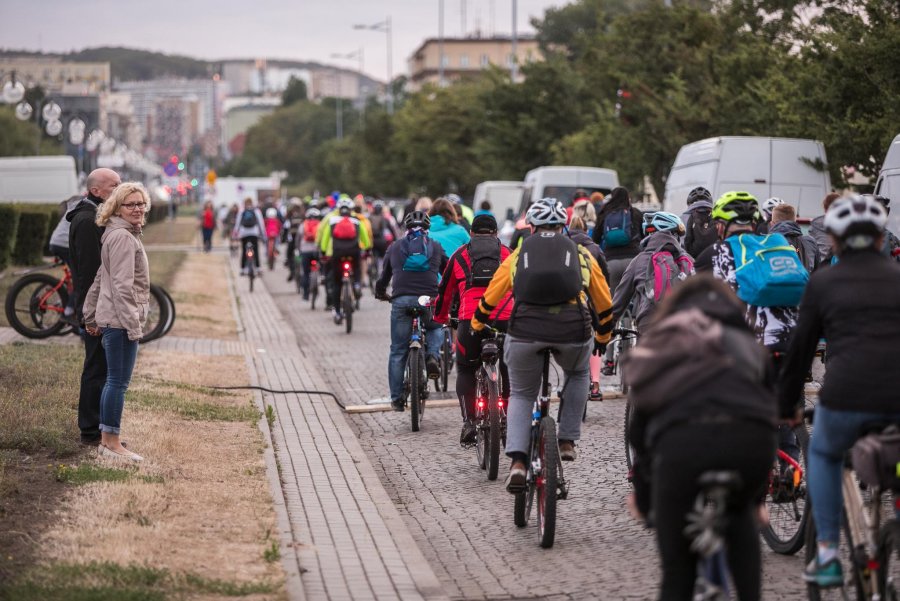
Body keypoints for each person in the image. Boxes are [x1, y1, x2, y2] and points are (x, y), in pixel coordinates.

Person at [626, 275, 777, 601]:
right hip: (750, 443)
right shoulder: (748, 342)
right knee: (741, 513)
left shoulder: (664, 339)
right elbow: (768, 413)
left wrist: (644, 497)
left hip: (683, 447)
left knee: (677, 573)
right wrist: (758, 499)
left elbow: (637, 432)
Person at [778, 195, 900, 586]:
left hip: (847, 395)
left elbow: (799, 352)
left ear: (835, 239)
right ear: (881, 239)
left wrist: (788, 406)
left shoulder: (823, 282)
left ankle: (828, 550)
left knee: (825, 453)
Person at [471, 198, 613, 490]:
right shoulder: (582, 254)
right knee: (578, 374)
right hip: (572, 330)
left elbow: (492, 295)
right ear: (563, 226)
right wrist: (602, 337)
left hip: (525, 330)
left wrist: (476, 323)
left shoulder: (518, 254)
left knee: (522, 393)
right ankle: (566, 440)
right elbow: (604, 302)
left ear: (531, 227)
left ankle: (519, 463)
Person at [82, 182, 152, 463]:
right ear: (117, 208)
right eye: (130, 204)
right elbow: (122, 287)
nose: (137, 209)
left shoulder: (117, 233)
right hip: (120, 321)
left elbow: (101, 277)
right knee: (117, 382)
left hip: (112, 318)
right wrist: (133, 325)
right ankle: (111, 444)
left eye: (140, 203)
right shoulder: (123, 237)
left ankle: (107, 440)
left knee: (113, 381)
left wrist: (89, 313)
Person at [435, 214, 512, 444]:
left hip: (470, 319)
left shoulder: (460, 255)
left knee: (466, 368)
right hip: (504, 317)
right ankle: (507, 418)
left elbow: (445, 292)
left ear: (471, 233)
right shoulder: (508, 254)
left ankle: (469, 421)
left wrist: (441, 317)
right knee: (509, 368)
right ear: (496, 233)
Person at [67, 167, 122, 446]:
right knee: (97, 368)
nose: (120, 190)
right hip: (95, 309)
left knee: (102, 367)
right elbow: (90, 273)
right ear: (96, 191)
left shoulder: (94, 215)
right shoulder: (88, 221)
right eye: (115, 185)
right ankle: (90, 431)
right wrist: (92, 315)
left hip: (99, 306)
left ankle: (98, 429)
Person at [375, 211, 448, 412]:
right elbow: (448, 271)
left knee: (398, 350)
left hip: (401, 300)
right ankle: (432, 355)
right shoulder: (435, 246)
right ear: (427, 228)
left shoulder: (395, 247)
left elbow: (384, 276)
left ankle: (397, 398)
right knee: (435, 326)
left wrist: (381, 292)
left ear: (405, 227)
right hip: (429, 299)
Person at [609, 211, 693, 334]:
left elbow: (618, 304)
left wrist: (603, 332)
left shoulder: (638, 260)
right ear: (674, 235)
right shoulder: (688, 260)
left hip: (649, 324)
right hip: (683, 326)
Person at [567, 213, 609, 399]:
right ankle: (595, 385)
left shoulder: (564, 247)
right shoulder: (594, 248)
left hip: (568, 301)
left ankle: (568, 380)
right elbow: (604, 276)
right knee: (594, 342)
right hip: (590, 301)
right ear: (586, 230)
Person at [319, 198, 371, 322]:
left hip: (337, 253)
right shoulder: (357, 221)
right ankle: (357, 284)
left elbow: (325, 239)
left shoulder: (332, 221)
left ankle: (337, 312)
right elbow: (365, 239)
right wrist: (368, 249)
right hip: (353, 252)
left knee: (337, 283)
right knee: (357, 268)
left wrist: (323, 252)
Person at [592, 186, 644, 292]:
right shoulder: (635, 213)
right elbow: (645, 236)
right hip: (633, 259)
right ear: (627, 197)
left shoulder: (604, 213)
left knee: (615, 300)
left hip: (611, 261)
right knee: (636, 296)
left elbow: (595, 239)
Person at [48, 194, 83, 325]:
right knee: (81, 279)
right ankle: (68, 311)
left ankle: (70, 302)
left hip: (59, 242)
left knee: (77, 277)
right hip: (64, 244)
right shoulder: (84, 203)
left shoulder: (80, 201)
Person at [769, 203, 820, 272]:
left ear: (772, 224)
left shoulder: (767, 243)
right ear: (794, 221)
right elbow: (817, 273)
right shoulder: (811, 242)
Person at [232, 198, 267, 275]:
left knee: (244, 251)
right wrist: (263, 235)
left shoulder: (241, 211)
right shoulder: (256, 211)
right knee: (256, 250)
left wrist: (235, 234)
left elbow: (237, 224)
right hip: (254, 233)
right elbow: (261, 224)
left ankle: (242, 269)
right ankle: (258, 268)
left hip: (244, 233)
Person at [681, 187, 717, 258]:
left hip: (690, 260)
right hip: (713, 259)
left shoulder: (682, 218)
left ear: (689, 203)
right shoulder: (717, 216)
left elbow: (684, 241)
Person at [297, 207, 322, 300]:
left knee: (306, 272)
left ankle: (306, 294)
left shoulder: (303, 225)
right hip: (317, 250)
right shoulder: (320, 225)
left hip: (305, 251)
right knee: (320, 267)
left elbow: (298, 239)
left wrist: (299, 250)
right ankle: (321, 277)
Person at [808, 192, 841, 260]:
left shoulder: (815, 224)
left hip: (820, 265)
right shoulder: (846, 224)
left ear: (825, 208)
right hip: (841, 265)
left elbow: (810, 246)